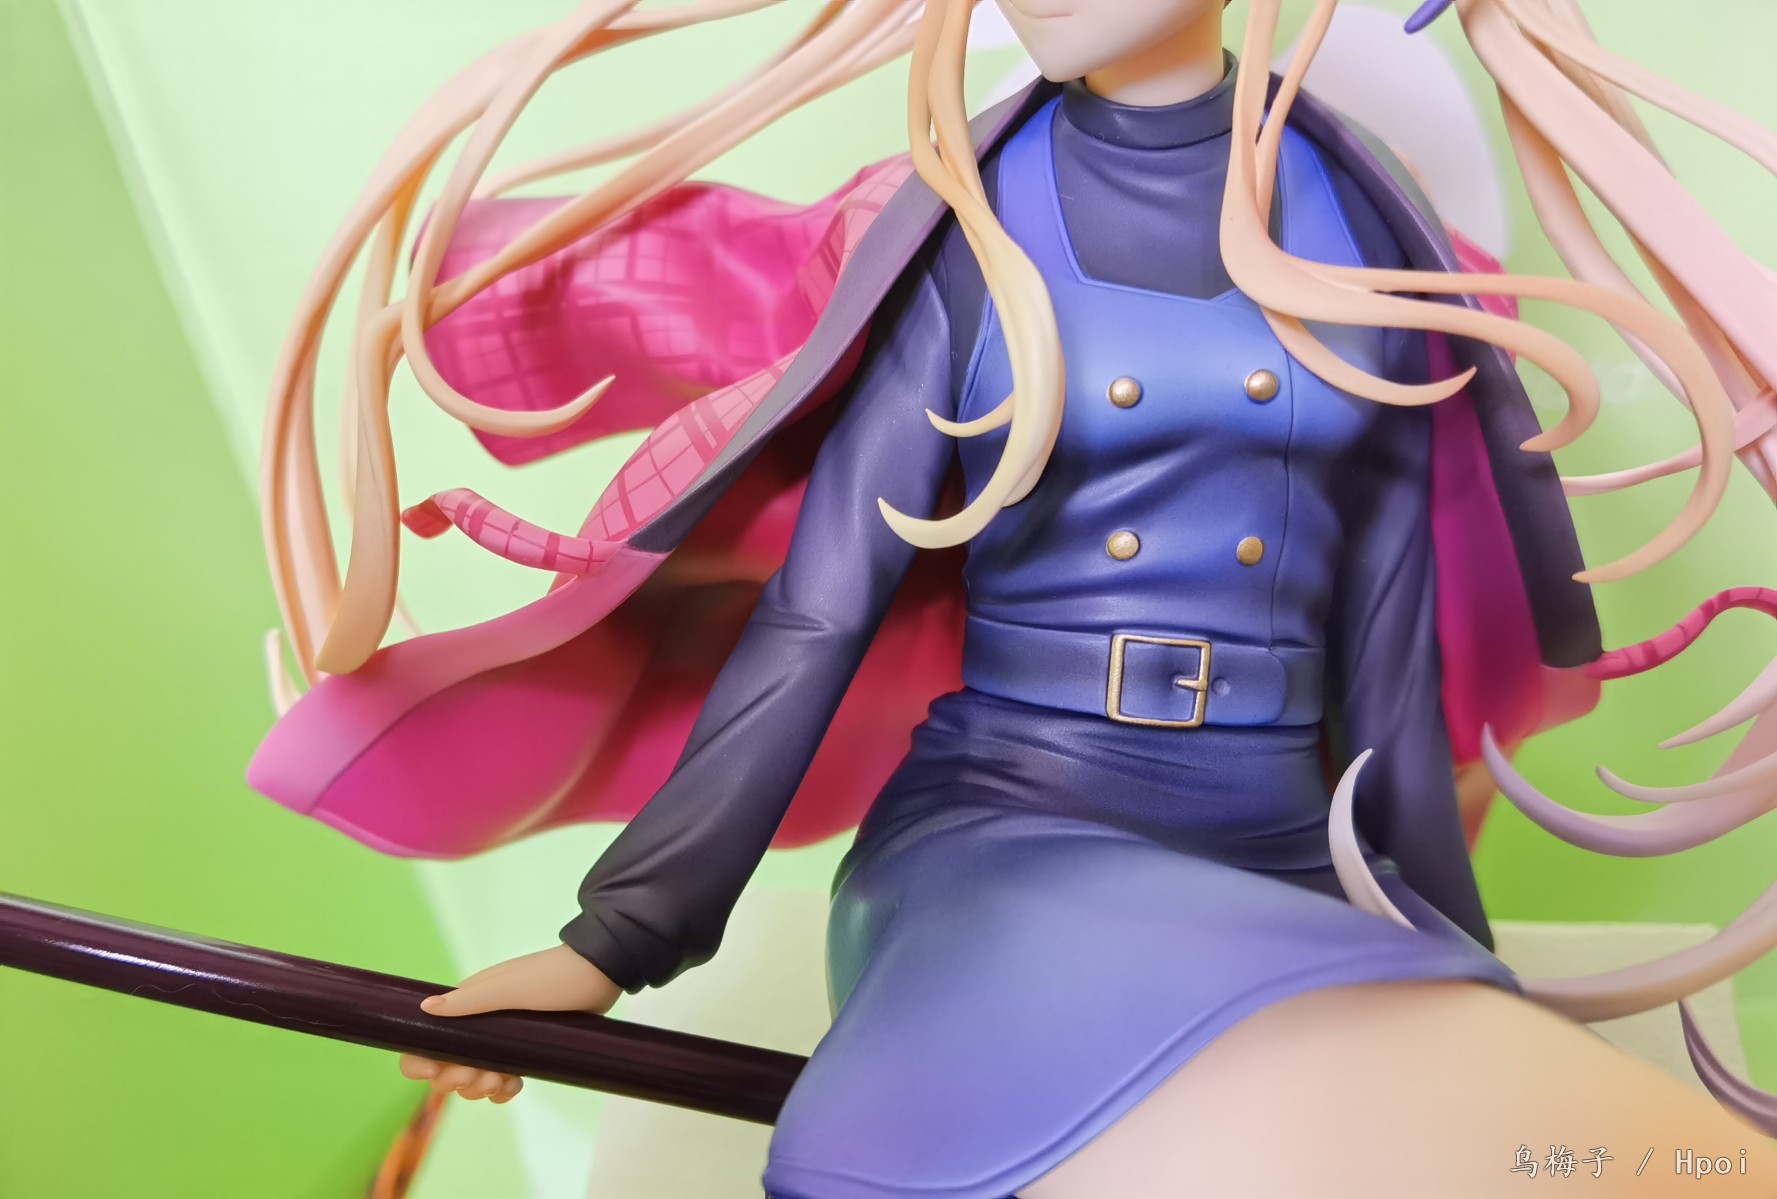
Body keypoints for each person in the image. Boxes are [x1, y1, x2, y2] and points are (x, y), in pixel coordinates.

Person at [248, 1, 1777, 1193]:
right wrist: (622, 937)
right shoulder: (973, 226)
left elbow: (1387, 642)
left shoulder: (1359, 216)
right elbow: (820, 608)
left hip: (1280, 836)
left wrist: (1445, 949)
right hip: (1022, 823)